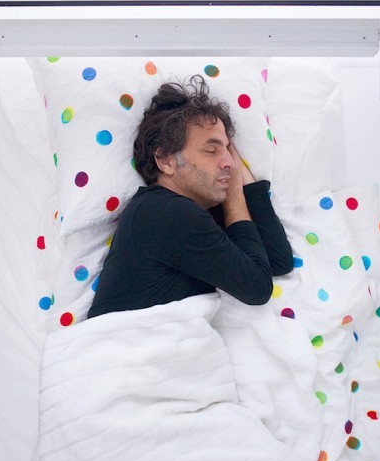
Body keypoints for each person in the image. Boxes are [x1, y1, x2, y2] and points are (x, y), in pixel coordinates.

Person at [87, 75, 294, 318]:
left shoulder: (195, 215)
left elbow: (277, 260)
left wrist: (235, 180)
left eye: (229, 150)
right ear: (166, 161)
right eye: (211, 150)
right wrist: (235, 196)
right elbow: (257, 288)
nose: (229, 163)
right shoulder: (163, 213)